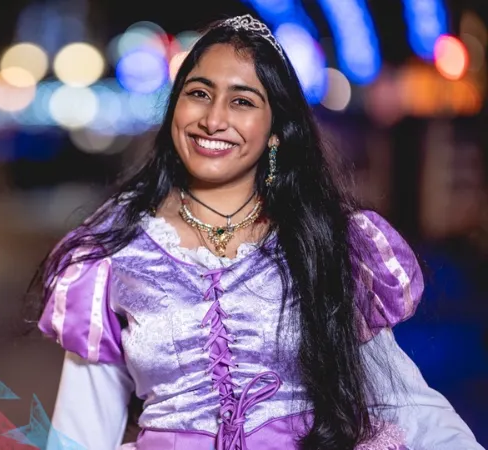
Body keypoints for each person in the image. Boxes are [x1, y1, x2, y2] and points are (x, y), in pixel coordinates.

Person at [29, 15, 484, 450]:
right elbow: (79, 431)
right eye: (199, 93)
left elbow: (404, 402)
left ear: (275, 131)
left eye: (242, 101)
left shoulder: (323, 240)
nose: (214, 119)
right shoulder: (115, 251)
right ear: (174, 108)